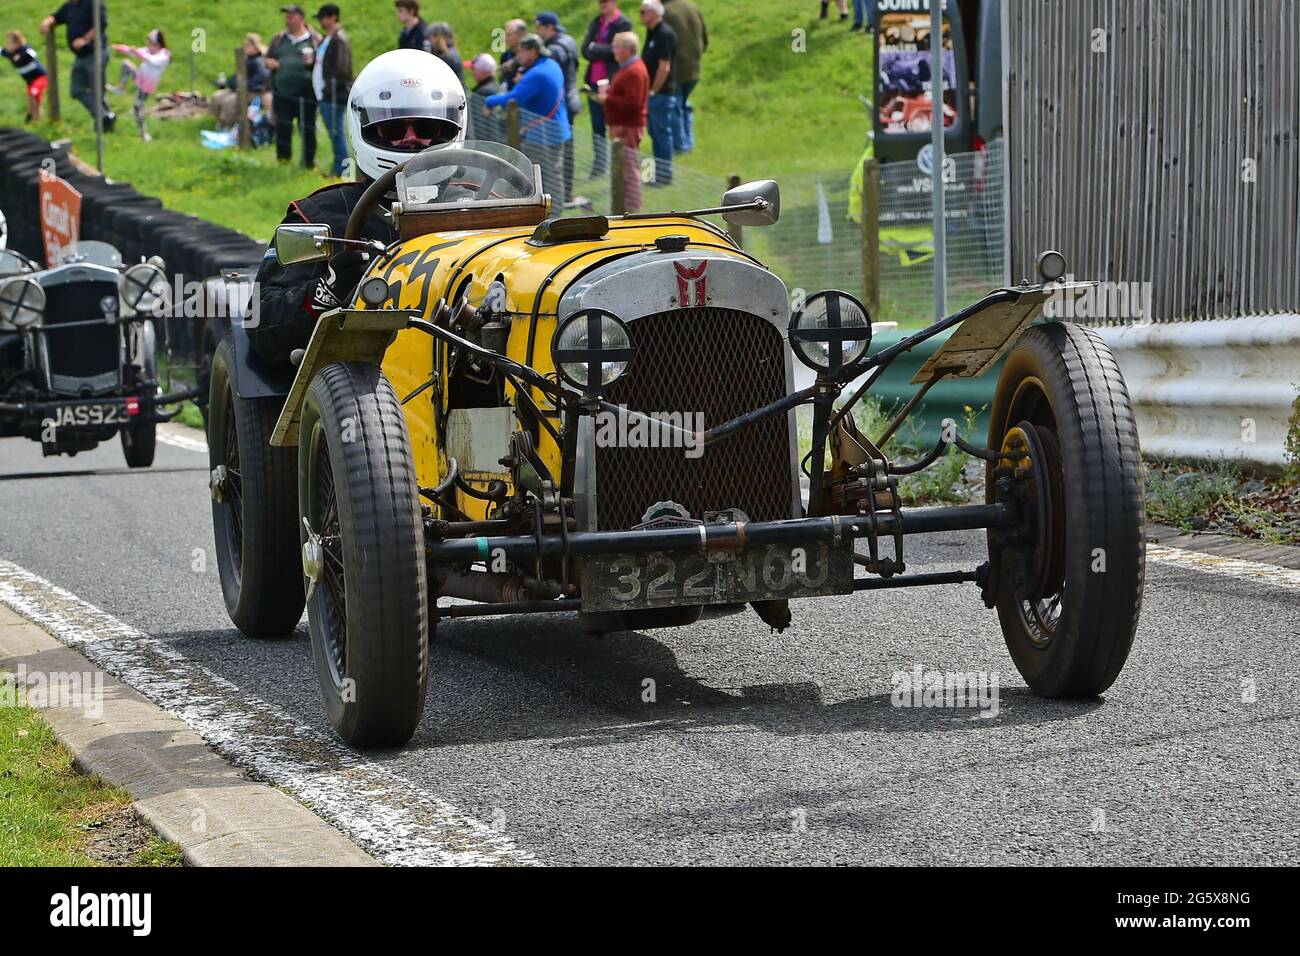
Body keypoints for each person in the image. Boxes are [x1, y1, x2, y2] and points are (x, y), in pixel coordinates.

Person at [251, 49, 466, 363]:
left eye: (426, 128)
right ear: (364, 127)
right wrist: (327, 290)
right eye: (392, 130)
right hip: (361, 381)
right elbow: (260, 320)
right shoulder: (320, 215)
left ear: (450, 127)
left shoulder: (493, 205)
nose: (410, 139)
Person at [484, 35, 570, 205]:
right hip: (557, 128)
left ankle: (550, 212)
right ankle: (556, 210)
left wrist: (489, 101)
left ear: (532, 52)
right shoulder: (551, 64)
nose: (518, 57)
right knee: (554, 174)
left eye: (521, 52)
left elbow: (513, 97)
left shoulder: (536, 74)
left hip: (542, 135)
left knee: (538, 176)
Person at [40, 0, 116, 132]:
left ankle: (104, 123)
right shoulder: (69, 6)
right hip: (81, 56)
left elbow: (101, 23)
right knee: (76, 90)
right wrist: (47, 21)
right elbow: (56, 17)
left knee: (97, 90)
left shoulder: (93, 3)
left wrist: (85, 39)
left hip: (96, 52)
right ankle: (105, 116)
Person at [594, 31, 647, 213]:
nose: (613, 50)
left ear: (627, 49)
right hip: (623, 126)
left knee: (629, 171)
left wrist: (607, 99)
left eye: (616, 46)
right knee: (623, 169)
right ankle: (624, 207)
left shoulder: (634, 71)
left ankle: (631, 210)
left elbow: (634, 103)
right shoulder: (628, 68)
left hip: (628, 127)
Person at [581, 0, 632, 179]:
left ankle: (618, 166)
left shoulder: (623, 23)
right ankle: (600, 164)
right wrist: (603, 49)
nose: (602, 4)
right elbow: (585, 50)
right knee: (597, 126)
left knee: (615, 126)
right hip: (593, 83)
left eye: (605, 1)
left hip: (613, 83)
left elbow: (620, 50)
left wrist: (596, 48)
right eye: (599, 1)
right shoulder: (596, 22)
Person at [266, 4, 321, 169]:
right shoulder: (279, 39)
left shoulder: (314, 39)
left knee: (307, 128)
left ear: (301, 18)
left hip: (307, 93)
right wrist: (270, 62)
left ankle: (308, 162)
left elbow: (323, 63)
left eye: (291, 16)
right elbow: (268, 58)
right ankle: (283, 160)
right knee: (283, 127)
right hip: (282, 92)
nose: (287, 20)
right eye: (286, 17)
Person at [535, 12, 580, 206]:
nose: (537, 32)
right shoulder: (569, 40)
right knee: (567, 151)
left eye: (540, 27)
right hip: (572, 97)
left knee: (562, 153)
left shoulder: (555, 48)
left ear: (549, 27)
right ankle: (567, 192)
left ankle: (564, 194)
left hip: (562, 103)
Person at [108, 29, 170, 142]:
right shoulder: (148, 50)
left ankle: (144, 133)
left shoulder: (164, 55)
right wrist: (119, 47)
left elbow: (151, 60)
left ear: (156, 44)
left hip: (146, 86)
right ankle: (120, 88)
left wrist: (137, 52)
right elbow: (132, 52)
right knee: (126, 64)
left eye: (149, 43)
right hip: (139, 77)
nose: (147, 45)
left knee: (137, 108)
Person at [639, 0, 676, 186]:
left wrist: (653, 90)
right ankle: (658, 173)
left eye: (643, 11)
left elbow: (664, 66)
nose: (640, 15)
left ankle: (664, 175)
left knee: (661, 133)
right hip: (653, 94)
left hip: (661, 94)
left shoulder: (664, 34)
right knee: (655, 132)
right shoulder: (652, 32)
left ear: (654, 13)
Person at [661, 0, 704, 155]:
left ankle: (681, 146)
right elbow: (704, 38)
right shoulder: (692, 6)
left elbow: (663, 43)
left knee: (675, 107)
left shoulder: (664, 11)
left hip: (676, 69)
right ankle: (688, 142)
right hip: (694, 67)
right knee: (684, 104)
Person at [313, 4, 352, 177]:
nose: (321, 21)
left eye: (323, 17)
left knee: (337, 134)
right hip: (325, 94)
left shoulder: (339, 39)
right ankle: (338, 168)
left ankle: (342, 171)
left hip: (333, 96)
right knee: (333, 133)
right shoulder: (328, 38)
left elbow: (342, 70)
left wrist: (330, 89)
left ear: (333, 17)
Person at [211, 34, 270, 130]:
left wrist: (242, 85)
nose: (245, 47)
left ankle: (227, 124)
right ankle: (219, 121)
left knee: (229, 101)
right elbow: (238, 76)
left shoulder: (259, 61)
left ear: (255, 47)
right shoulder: (247, 59)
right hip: (239, 88)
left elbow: (261, 78)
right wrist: (228, 83)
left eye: (248, 45)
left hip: (253, 92)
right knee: (217, 96)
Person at [2, 31, 48, 124]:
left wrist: (21, 56)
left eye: (10, 42)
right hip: (29, 80)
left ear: (18, 43)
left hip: (40, 77)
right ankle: (31, 117)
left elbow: (33, 53)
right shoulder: (9, 52)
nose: (7, 45)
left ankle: (36, 119)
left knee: (34, 95)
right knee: (31, 97)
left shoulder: (24, 49)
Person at [466, 53, 503, 141]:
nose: (472, 72)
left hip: (486, 140)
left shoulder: (482, 92)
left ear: (484, 72)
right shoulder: (498, 87)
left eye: (474, 69)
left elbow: (475, 121)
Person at [498, 19, 528, 89]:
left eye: (509, 35)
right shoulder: (505, 56)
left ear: (521, 35)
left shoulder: (531, 57)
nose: (505, 38)